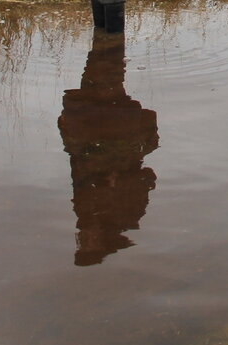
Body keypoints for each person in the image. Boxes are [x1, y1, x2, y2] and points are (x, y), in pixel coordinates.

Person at [58, 33, 158, 266]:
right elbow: (146, 178)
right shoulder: (123, 216)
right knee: (100, 73)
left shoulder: (100, 216)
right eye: (85, 244)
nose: (82, 239)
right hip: (108, 136)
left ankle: (108, 39)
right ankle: (107, 39)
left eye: (81, 243)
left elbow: (80, 172)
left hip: (107, 134)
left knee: (100, 73)